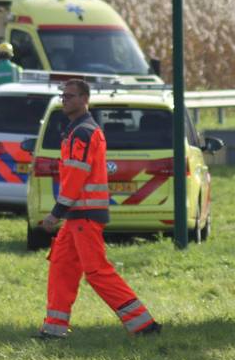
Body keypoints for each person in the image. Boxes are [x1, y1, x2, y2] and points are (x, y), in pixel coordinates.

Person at [37, 79, 160, 339]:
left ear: (84, 99)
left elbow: (75, 177)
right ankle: (54, 329)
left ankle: (144, 325)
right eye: (63, 95)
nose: (65, 99)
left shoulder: (82, 132)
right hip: (78, 216)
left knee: (97, 272)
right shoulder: (78, 130)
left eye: (70, 96)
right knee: (61, 266)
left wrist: (56, 212)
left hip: (83, 215)